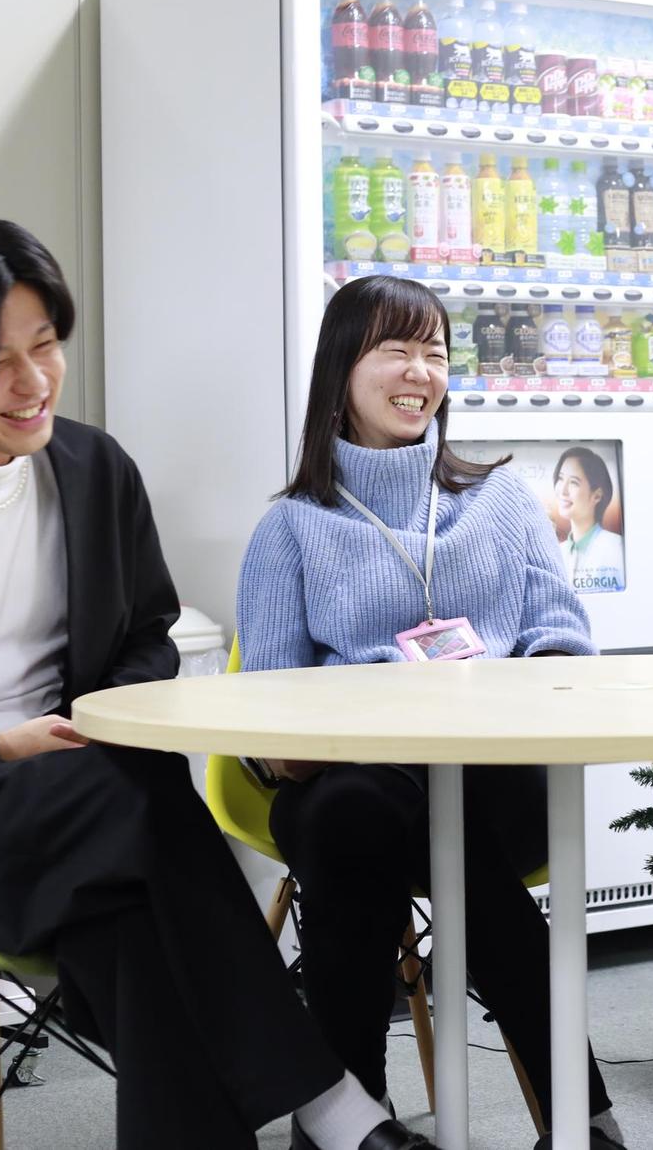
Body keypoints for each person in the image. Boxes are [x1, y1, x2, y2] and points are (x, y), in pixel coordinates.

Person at [0, 215, 433, 1150]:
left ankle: (324, 1114)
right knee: (125, 796)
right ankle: (334, 1105)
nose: (34, 381)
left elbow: (146, 638)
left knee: (127, 910)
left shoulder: (94, 469)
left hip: (85, 811)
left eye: (45, 343)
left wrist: (92, 718)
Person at [236, 276, 627, 1150]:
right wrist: (335, 731)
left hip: (493, 777)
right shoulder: (291, 528)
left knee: (424, 821)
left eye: (436, 353)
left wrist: (505, 694)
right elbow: (266, 712)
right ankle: (585, 1122)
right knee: (366, 811)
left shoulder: (503, 500)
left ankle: (342, 1125)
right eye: (397, 350)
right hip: (352, 787)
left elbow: (563, 643)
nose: (421, 372)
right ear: (342, 368)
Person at [554, 445, 626, 593]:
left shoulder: (617, 549)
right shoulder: (556, 553)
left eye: (574, 482)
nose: (563, 490)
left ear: (597, 495)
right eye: (560, 478)